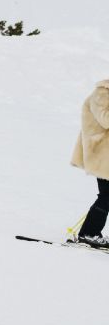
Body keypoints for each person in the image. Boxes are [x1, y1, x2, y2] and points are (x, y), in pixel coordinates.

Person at [71, 79, 109, 248]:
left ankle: (90, 232)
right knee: (106, 197)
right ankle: (88, 234)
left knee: (107, 196)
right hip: (101, 156)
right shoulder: (102, 93)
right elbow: (105, 120)